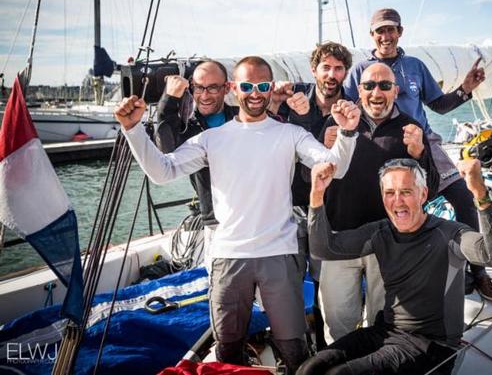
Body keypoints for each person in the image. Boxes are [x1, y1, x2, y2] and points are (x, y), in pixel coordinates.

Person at [114, 56, 361, 373]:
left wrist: (348, 133)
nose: (255, 93)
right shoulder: (210, 139)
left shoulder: (290, 135)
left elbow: (333, 168)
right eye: (247, 86)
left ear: (271, 88)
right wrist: (133, 129)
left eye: (262, 86)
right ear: (234, 89)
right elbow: (163, 172)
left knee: (295, 349)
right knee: (228, 351)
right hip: (228, 256)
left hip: (280, 254)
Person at [298, 159, 492, 375]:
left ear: (423, 194)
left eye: (406, 192)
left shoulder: (449, 234)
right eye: (390, 193)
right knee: (309, 369)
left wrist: (479, 193)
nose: (397, 201)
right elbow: (324, 249)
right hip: (386, 331)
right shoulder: (381, 233)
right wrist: (317, 195)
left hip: (432, 346)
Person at [345, 7, 492, 301]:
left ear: (400, 32)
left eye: (391, 29)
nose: (386, 36)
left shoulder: (415, 66)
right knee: (398, 207)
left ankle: (478, 271)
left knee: (464, 200)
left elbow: (439, 105)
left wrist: (465, 89)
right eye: (380, 30)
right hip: (381, 143)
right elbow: (341, 106)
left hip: (424, 140)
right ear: (372, 35)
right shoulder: (360, 71)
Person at [317, 62, 439, 345]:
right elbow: (307, 179)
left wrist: (419, 154)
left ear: (396, 91)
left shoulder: (411, 127)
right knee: (337, 324)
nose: (376, 92)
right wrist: (324, 151)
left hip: (388, 243)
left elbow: (429, 189)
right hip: (339, 239)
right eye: (369, 85)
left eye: (385, 85)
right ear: (359, 91)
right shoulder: (336, 123)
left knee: (383, 322)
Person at [268, 41, 354, 348]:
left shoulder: (351, 108)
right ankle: (292, 349)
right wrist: (279, 102)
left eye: (339, 68)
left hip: (330, 211)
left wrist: (343, 137)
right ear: (314, 70)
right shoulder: (294, 99)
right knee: (287, 284)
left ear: (346, 72)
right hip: (289, 208)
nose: (332, 74)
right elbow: (267, 140)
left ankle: (324, 349)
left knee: (326, 285)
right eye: (326, 67)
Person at [155, 60, 237, 269]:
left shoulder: (241, 117)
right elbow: (165, 151)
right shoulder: (187, 128)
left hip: (251, 220)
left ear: (226, 88)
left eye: (212, 87)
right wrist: (169, 99)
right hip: (215, 225)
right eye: (199, 87)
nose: (205, 95)